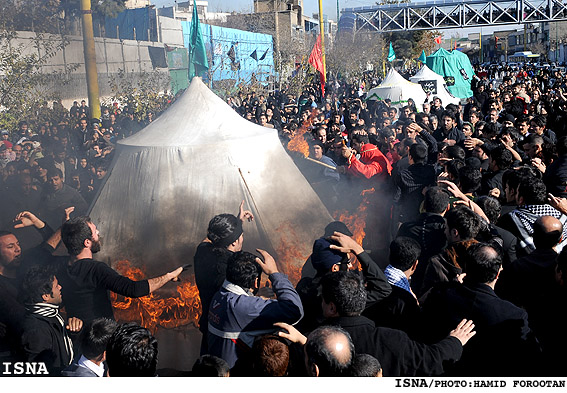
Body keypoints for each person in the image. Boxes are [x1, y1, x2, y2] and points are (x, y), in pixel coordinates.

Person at [319, 271, 476, 376]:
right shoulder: (391, 339)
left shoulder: (313, 342)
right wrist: (455, 341)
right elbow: (432, 360)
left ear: (332, 307)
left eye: (322, 301)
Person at [420, 243, 541, 376]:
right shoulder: (513, 315)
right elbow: (531, 357)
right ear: (497, 274)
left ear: (465, 268)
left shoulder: (440, 296)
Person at [57, 216, 183, 323]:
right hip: (100, 339)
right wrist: (169, 276)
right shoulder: (96, 270)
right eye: (95, 232)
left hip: (75, 339)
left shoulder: (59, 267)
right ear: (87, 243)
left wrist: (69, 229)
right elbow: (134, 289)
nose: (98, 233)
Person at [207, 249, 303, 368]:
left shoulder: (219, 296)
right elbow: (294, 311)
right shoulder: (241, 307)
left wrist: (254, 299)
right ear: (256, 283)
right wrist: (274, 273)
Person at [194, 201, 254, 354]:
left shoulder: (202, 251)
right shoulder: (233, 268)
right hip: (226, 332)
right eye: (241, 235)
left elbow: (210, 239)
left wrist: (235, 223)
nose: (242, 238)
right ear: (234, 241)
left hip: (208, 322)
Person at [19, 265, 83, 376]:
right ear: (46, 296)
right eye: (56, 286)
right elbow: (40, 371)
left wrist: (74, 333)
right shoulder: (36, 328)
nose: (60, 287)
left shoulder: (52, 316)